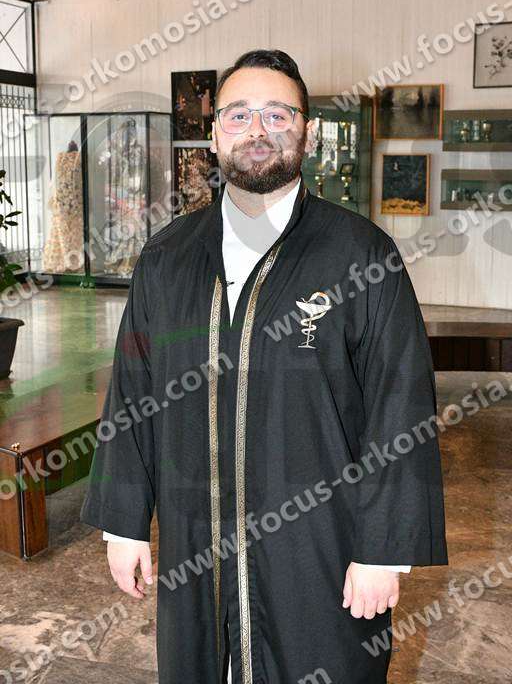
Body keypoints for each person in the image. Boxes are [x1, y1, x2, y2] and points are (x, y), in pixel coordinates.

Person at [81, 49, 448, 684]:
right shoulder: (167, 257)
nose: (258, 129)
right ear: (214, 132)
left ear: (308, 132)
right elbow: (133, 394)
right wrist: (124, 523)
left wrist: (384, 550)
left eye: (278, 114)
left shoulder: (360, 255)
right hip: (196, 545)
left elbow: (401, 406)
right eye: (239, 114)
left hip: (320, 548)